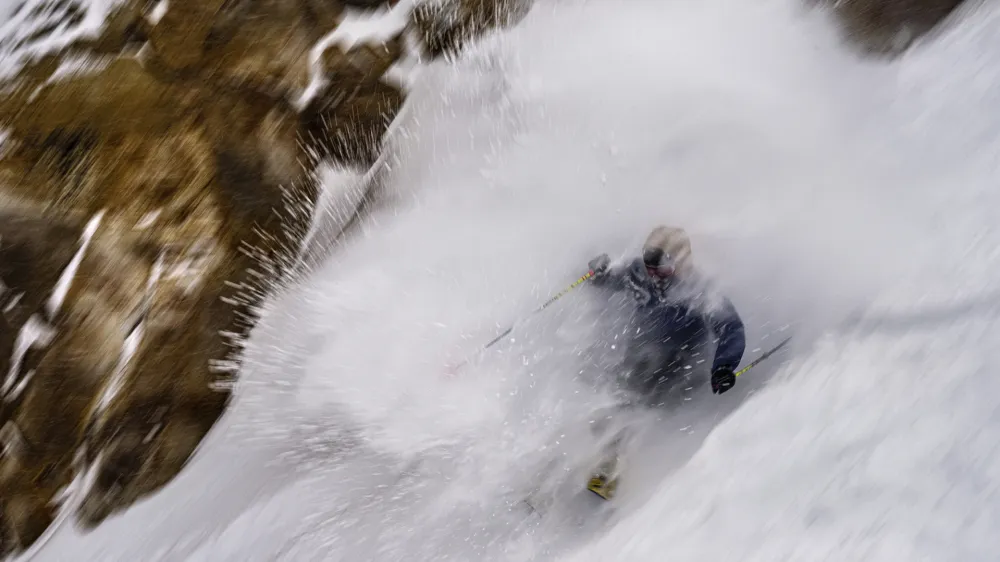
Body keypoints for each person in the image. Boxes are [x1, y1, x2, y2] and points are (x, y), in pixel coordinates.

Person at [582, 226, 746, 499]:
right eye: (649, 265)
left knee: (634, 410)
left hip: (676, 364)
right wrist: (598, 274)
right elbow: (610, 281)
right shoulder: (637, 273)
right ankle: (563, 468)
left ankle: (606, 479)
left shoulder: (698, 289)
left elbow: (730, 327)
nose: (654, 274)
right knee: (601, 404)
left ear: (681, 261)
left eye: (662, 266)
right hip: (637, 355)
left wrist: (724, 365)